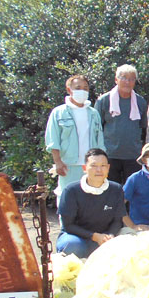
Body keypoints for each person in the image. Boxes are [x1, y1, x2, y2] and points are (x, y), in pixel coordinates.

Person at [55, 148, 127, 258]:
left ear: (108, 168)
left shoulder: (116, 189)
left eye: (103, 166)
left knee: (130, 239)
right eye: (94, 166)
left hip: (105, 237)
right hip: (78, 238)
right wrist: (94, 236)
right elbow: (68, 225)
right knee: (72, 246)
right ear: (85, 168)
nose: (99, 170)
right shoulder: (71, 190)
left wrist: (109, 236)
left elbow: (118, 221)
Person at [45, 74, 104, 204]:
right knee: (67, 198)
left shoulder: (93, 113)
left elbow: (99, 140)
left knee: (90, 198)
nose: (82, 91)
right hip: (68, 165)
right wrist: (58, 162)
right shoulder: (58, 112)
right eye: (78, 87)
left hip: (90, 165)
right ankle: (65, 225)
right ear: (69, 90)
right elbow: (53, 140)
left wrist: (101, 163)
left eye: (85, 88)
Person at [94, 64, 148, 185]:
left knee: (133, 191)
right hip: (109, 155)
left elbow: (143, 128)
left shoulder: (140, 102)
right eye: (123, 78)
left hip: (133, 155)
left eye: (131, 79)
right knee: (111, 190)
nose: (127, 82)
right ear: (116, 79)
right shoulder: (104, 101)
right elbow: (96, 128)